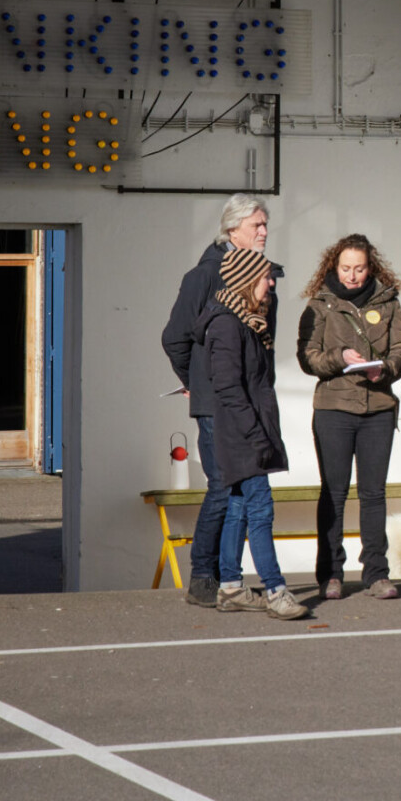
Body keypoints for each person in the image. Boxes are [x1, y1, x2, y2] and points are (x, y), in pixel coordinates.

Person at [161, 192, 276, 608]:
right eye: (256, 225)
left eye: (265, 225)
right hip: (215, 403)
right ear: (232, 229)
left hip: (247, 400)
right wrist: (195, 381)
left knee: (240, 491)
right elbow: (175, 337)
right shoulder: (206, 275)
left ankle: (229, 579)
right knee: (224, 488)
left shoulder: (261, 272)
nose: (264, 232)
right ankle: (202, 577)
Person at [297, 234, 401, 600]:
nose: (352, 276)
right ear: (334, 267)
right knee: (333, 493)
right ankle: (330, 574)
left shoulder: (388, 301)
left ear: (370, 267)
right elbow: (307, 357)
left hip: (378, 409)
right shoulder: (320, 304)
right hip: (333, 409)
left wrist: (386, 368)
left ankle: (376, 573)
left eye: (359, 269)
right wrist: (339, 357)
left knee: (373, 493)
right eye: (346, 268)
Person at [202, 246, 309, 620]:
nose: (271, 283)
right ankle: (276, 591)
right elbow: (229, 388)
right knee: (261, 508)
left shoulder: (249, 322)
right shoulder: (227, 325)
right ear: (247, 280)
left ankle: (231, 587)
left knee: (238, 506)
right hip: (242, 435)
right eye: (265, 277)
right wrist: (256, 434)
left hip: (249, 430)